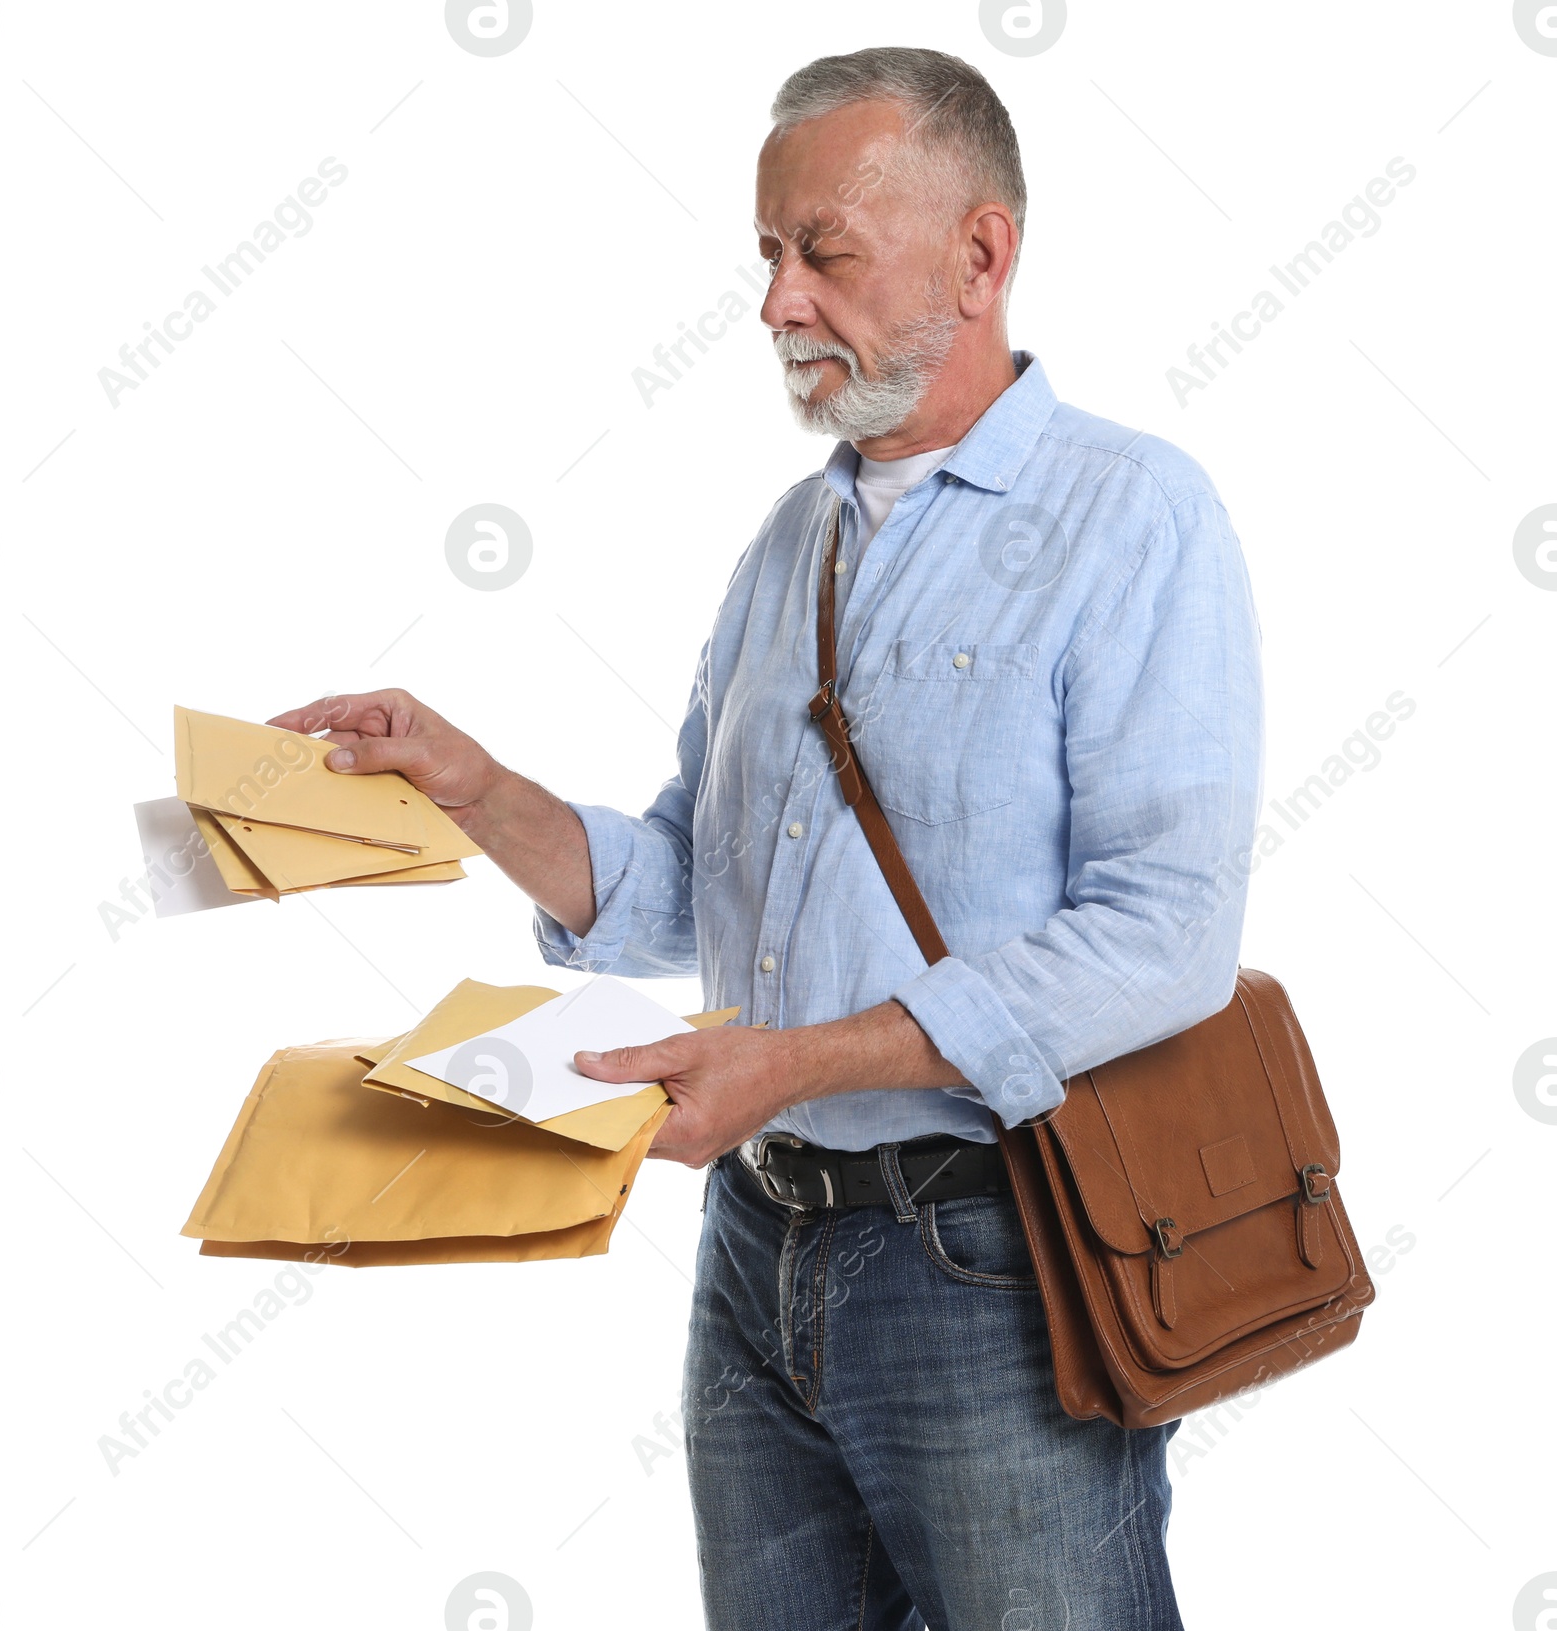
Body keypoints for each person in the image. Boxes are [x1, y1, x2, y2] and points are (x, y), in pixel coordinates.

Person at [272, 46, 1262, 1631]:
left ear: (982, 254)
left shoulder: (1134, 517)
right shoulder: (789, 541)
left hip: (990, 1263)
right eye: (769, 255)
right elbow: (689, 881)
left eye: (825, 253)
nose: (778, 303)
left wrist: (789, 1066)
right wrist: (472, 785)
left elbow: (1167, 937)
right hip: (756, 1255)